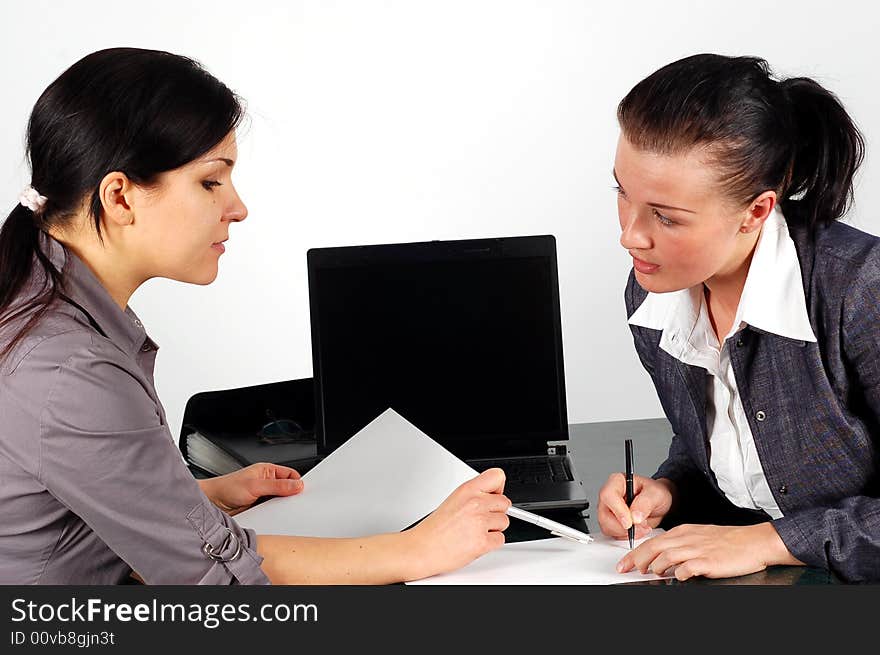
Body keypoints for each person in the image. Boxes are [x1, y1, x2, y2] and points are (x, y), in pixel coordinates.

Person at [0, 47, 510, 585]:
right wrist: (417, 550)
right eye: (211, 181)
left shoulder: (41, 304)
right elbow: (214, 577)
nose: (237, 207)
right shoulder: (67, 368)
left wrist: (194, 498)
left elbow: (49, 504)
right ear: (120, 196)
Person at [596, 53, 878, 583]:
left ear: (757, 210)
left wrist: (770, 542)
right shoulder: (651, 295)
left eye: (665, 216)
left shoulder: (861, 291)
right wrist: (669, 489)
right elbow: (725, 436)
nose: (630, 235)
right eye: (622, 193)